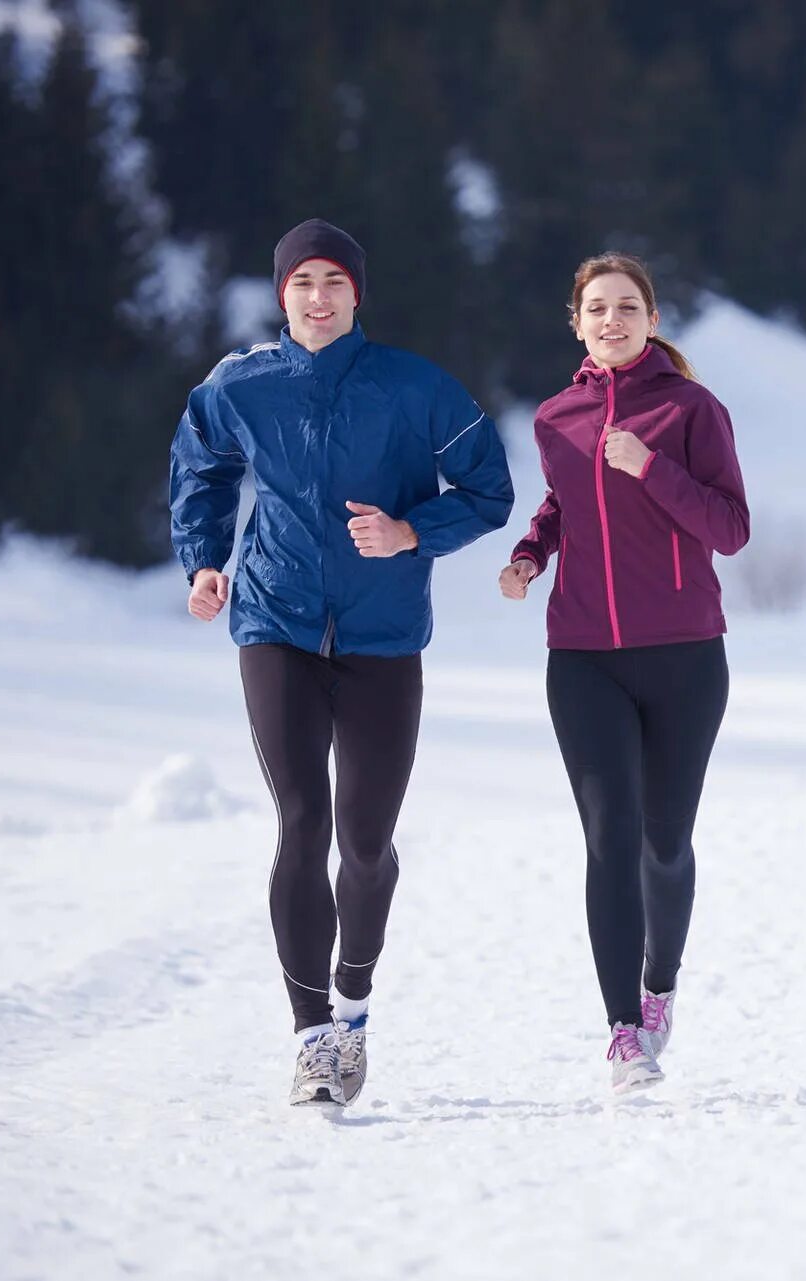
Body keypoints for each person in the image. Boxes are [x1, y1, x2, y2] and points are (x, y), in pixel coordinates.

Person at [170, 218, 513, 1106]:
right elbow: (200, 470)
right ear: (279, 294)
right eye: (301, 282)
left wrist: (410, 532)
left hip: (383, 637)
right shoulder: (240, 386)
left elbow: (490, 490)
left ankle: (354, 998)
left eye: (334, 281)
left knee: (364, 843)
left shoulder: (415, 386)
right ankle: (312, 1033)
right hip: (274, 623)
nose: (317, 297)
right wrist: (205, 560)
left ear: (358, 293)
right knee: (300, 821)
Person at [500, 252, 749, 1094]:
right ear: (576, 322)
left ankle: (660, 984)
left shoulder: (690, 409)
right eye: (597, 308)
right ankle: (622, 1032)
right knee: (608, 836)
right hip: (582, 658)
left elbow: (732, 527)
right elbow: (562, 504)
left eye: (628, 307)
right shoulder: (555, 418)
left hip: (684, 655)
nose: (612, 320)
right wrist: (532, 553)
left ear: (651, 318)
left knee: (663, 841)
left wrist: (652, 467)